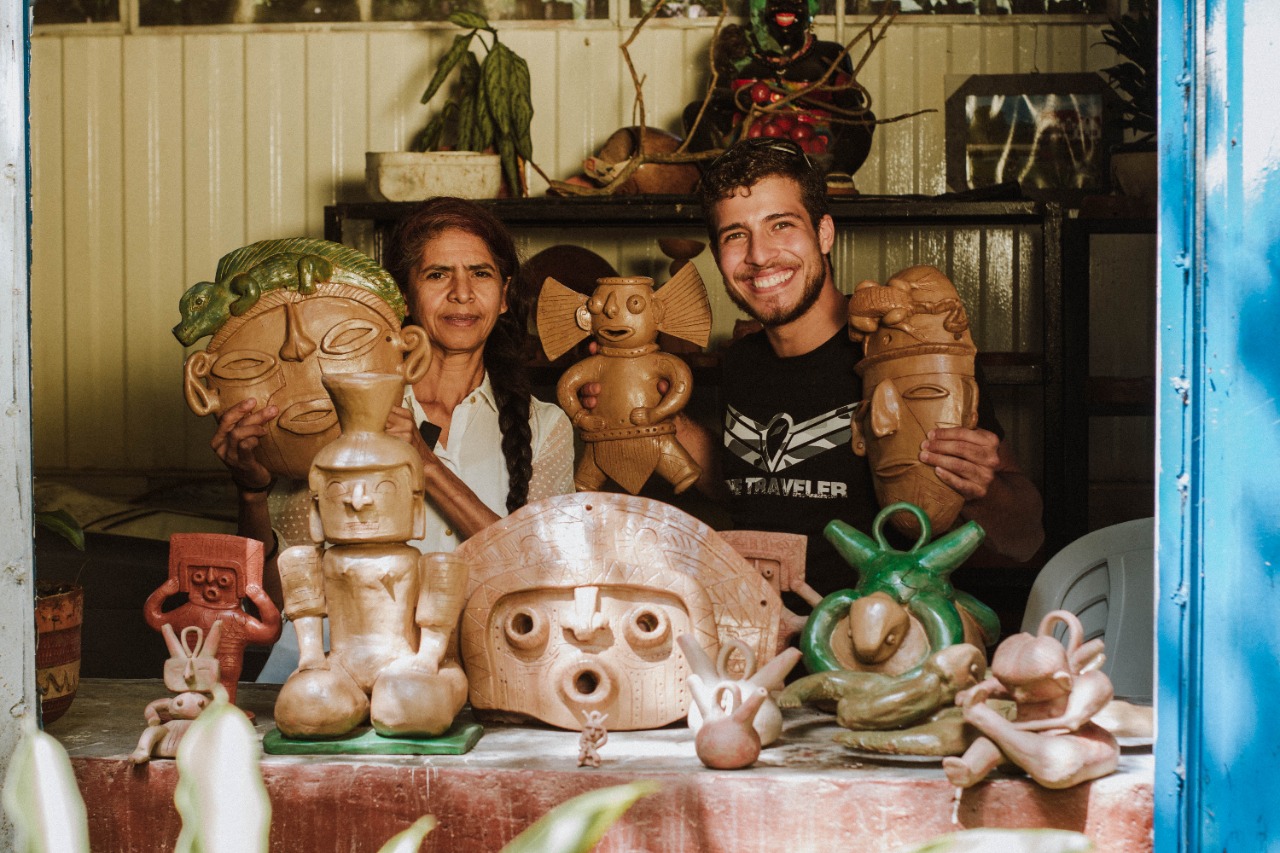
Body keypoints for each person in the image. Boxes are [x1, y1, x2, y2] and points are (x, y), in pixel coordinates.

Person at [584, 138, 1043, 599]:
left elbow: (1025, 539)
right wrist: (653, 411)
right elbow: (756, 488)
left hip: (875, 632)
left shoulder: (904, 351)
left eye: (781, 225)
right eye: (735, 235)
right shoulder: (741, 361)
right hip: (758, 626)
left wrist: (983, 491)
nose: (759, 255)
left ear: (824, 233)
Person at [212, 197, 575, 677]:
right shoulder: (340, 412)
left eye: (481, 274)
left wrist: (424, 464)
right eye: (438, 274)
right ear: (404, 296)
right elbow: (278, 600)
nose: (462, 293)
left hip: (483, 679)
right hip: (338, 681)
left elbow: (541, 578)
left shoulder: (545, 427)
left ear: (504, 295)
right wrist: (251, 491)